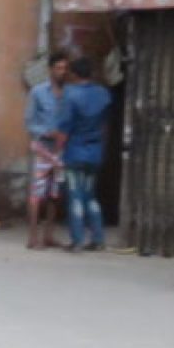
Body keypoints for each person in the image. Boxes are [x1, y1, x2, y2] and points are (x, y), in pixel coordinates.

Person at [55, 54, 112, 252]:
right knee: (91, 196)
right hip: (95, 151)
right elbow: (105, 124)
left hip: (75, 151)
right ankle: (98, 238)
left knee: (75, 195)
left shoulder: (70, 94)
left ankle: (77, 240)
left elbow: (64, 128)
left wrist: (57, 151)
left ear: (74, 74)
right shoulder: (102, 93)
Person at [24, 48, 71, 250]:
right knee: (37, 194)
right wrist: (46, 132)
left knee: (54, 194)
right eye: (59, 68)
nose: (62, 72)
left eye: (65, 68)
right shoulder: (38, 92)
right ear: (50, 70)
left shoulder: (70, 93)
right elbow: (29, 122)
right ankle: (32, 236)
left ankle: (48, 235)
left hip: (61, 150)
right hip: (43, 148)